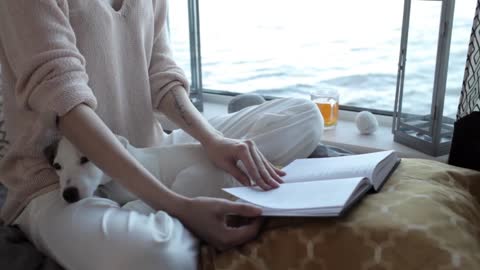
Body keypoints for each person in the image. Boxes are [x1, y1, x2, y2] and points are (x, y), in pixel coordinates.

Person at [0, 0, 323, 269]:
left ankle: (173, 195)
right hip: (61, 182)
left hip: (153, 150)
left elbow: (162, 75)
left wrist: (212, 140)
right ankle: (189, 195)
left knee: (303, 117)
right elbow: (63, 102)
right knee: (163, 256)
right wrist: (178, 205)